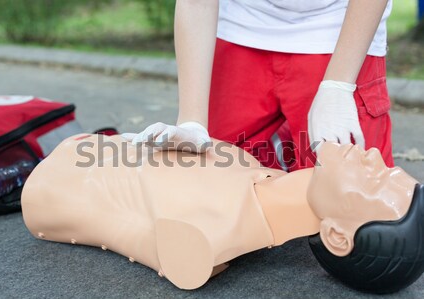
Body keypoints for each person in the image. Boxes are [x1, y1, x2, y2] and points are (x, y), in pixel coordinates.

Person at [21, 134, 424, 293]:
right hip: (82, 152)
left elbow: (109, 222)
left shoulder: (204, 236)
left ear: (337, 236)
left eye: (375, 182)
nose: (373, 156)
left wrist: (200, 255)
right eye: (388, 168)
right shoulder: (255, 172)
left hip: (50, 187)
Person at [122, 0, 393, 171]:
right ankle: (282, 147)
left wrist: (338, 85)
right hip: (242, 27)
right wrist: (192, 123)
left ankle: (289, 141)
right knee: (207, 198)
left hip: (335, 28)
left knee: (360, 226)